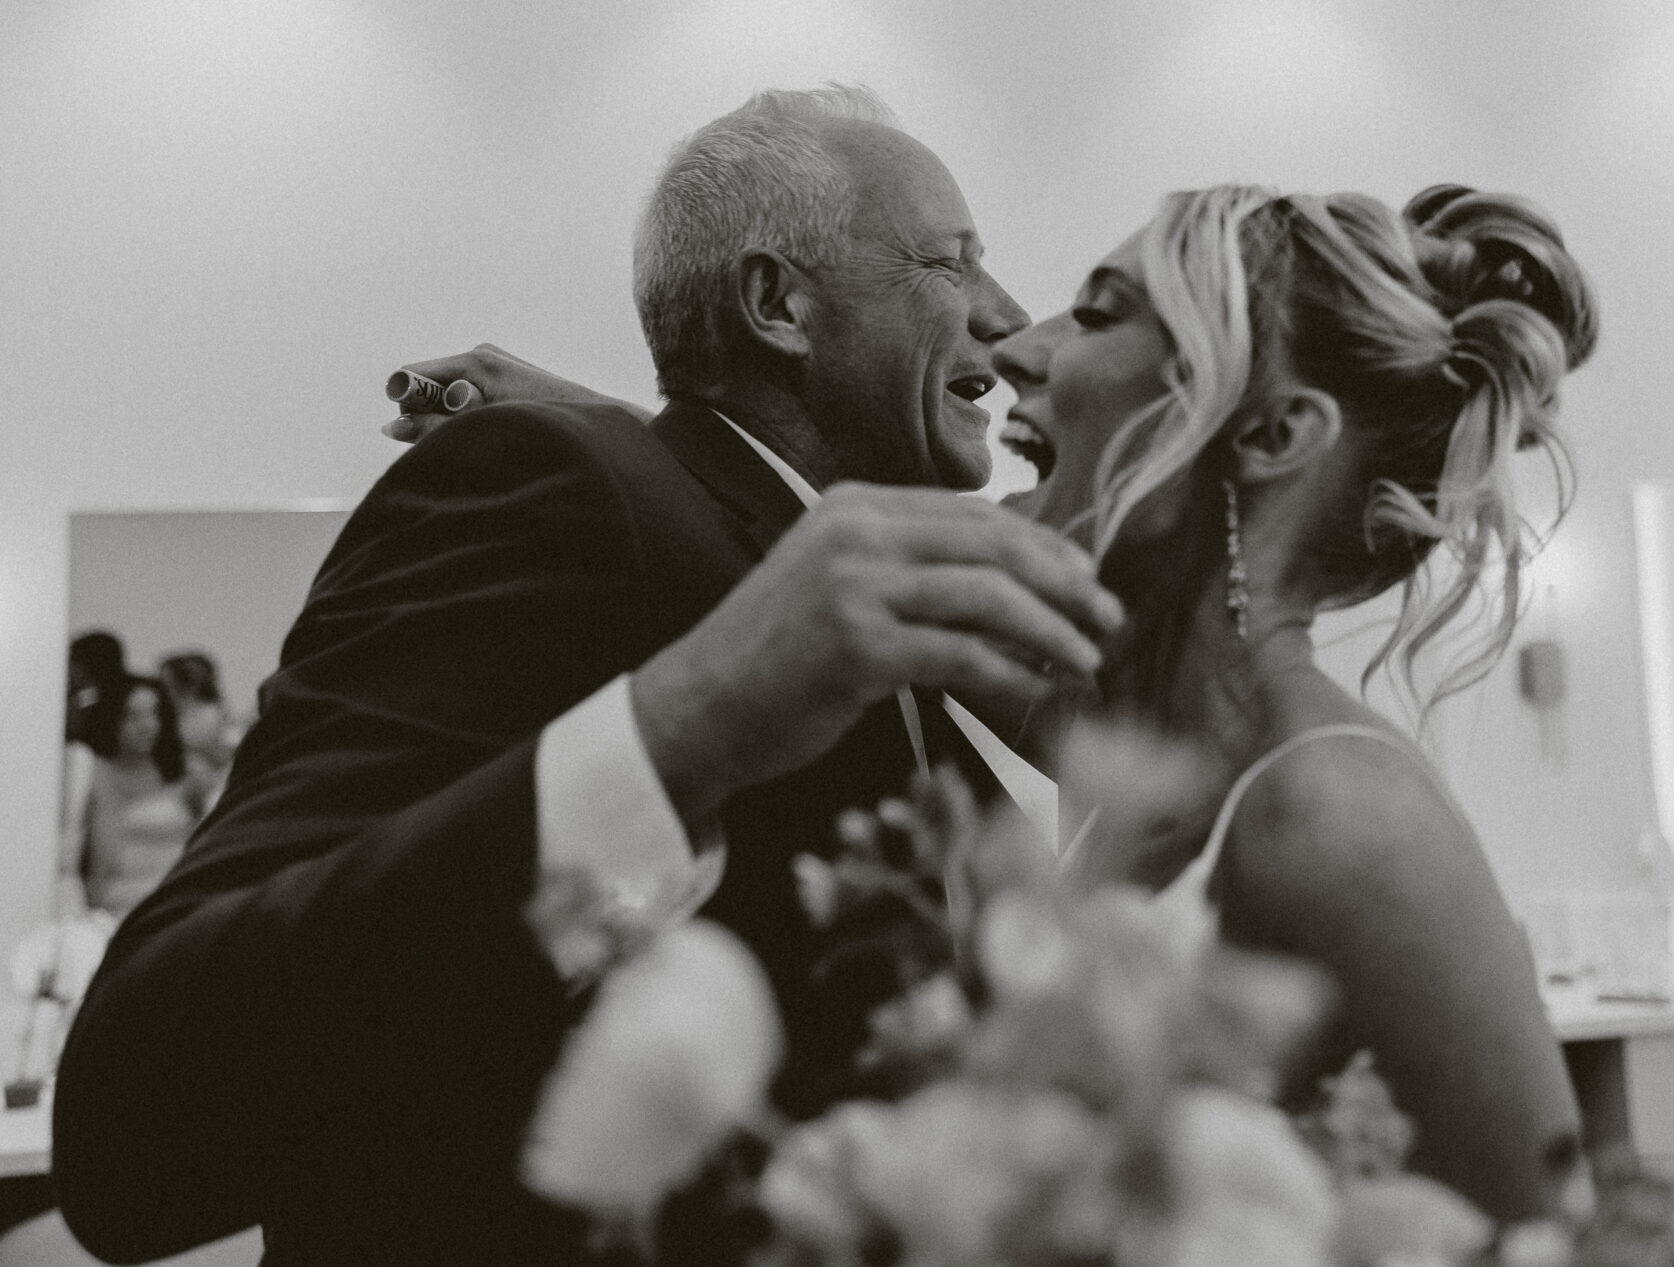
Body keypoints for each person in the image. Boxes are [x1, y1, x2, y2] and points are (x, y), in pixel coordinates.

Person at [54, 87, 1122, 1267]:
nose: (1011, 320)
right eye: (949, 262)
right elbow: (136, 1122)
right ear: (778, 302)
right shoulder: (548, 486)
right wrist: (684, 729)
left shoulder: (815, 577)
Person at [406, 178, 1598, 1225]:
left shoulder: (1337, 817)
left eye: (1100, 309)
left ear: (1276, 432)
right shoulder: (1153, 742)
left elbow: (1549, 1238)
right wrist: (624, 435)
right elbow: (830, 550)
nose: (1022, 345)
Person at [61, 676, 210, 916]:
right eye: (132, 716)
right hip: (112, 907)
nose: (146, 725)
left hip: (177, 903)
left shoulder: (186, 774)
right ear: (113, 719)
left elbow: (206, 844)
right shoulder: (93, 772)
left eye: (154, 714)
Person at [157, 650, 237, 812]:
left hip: (208, 781)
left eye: (168, 684)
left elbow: (223, 755)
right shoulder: (162, 715)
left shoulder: (211, 714)